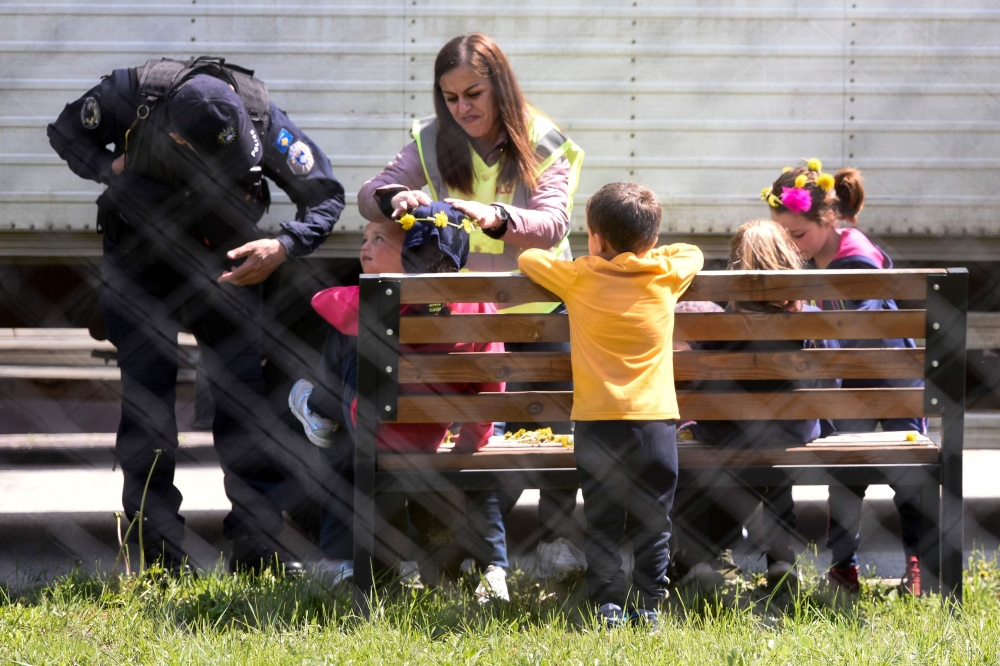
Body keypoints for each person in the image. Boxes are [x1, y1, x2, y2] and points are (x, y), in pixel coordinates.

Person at [47, 56, 346, 574]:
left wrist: (281, 246)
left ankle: (256, 551)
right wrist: (106, 167)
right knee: (149, 409)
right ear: (178, 138)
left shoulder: (259, 113)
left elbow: (324, 196)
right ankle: (159, 558)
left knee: (243, 403)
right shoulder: (132, 97)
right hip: (139, 260)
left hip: (223, 266)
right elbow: (66, 133)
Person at [357, 33, 586, 567]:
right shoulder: (431, 137)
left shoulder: (545, 140)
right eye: (451, 97)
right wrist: (395, 198)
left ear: (501, 87)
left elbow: (553, 225)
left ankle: (554, 542)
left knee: (553, 433)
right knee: (474, 444)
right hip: (468, 322)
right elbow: (372, 191)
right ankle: (471, 554)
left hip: (537, 316)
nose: (462, 108)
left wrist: (497, 217)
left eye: (474, 94)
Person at [288, 203, 511, 601]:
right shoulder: (481, 305)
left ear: (409, 254)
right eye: (364, 239)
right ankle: (474, 571)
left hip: (374, 432)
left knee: (344, 337)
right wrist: (469, 445)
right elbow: (491, 388)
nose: (365, 248)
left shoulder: (378, 301)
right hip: (432, 434)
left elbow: (322, 300)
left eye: (378, 239)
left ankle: (319, 410)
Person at [519, 183, 704, 626]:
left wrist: (598, 258)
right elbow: (692, 251)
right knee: (654, 520)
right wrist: (647, 255)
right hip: (655, 424)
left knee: (602, 518)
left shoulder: (580, 276)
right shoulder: (664, 274)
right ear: (653, 241)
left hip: (598, 422)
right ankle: (650, 605)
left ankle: (607, 603)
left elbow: (529, 258)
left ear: (595, 237)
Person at [764, 159, 926, 594]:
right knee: (845, 478)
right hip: (848, 381)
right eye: (784, 237)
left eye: (796, 236)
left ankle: (919, 564)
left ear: (828, 218)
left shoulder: (856, 257)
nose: (792, 246)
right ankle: (843, 567)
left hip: (892, 380)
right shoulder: (816, 256)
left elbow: (857, 325)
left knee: (907, 478)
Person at [672, 219, 841, 596]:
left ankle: (703, 560)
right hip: (793, 432)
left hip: (724, 435)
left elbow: (699, 385)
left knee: (704, 448)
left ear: (736, 270)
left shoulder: (717, 326)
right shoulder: (812, 321)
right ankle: (782, 563)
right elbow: (831, 383)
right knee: (775, 458)